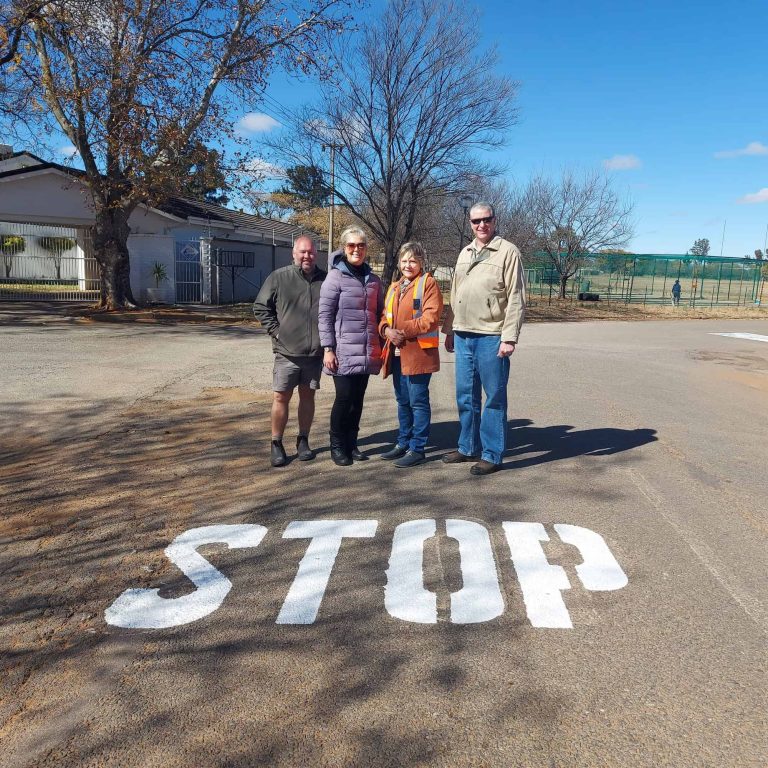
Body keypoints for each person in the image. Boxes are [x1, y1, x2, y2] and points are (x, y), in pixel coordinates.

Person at [442, 202, 526, 476]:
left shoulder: (507, 252)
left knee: (493, 398)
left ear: (494, 220)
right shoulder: (465, 252)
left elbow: (516, 297)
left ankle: (492, 454)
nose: (481, 225)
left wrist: (509, 337)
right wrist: (450, 328)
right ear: (470, 223)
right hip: (464, 334)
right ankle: (467, 447)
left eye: (485, 220)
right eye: (475, 221)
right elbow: (456, 293)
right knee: (465, 396)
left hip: (491, 336)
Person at [253, 235, 326, 467]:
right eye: (303, 252)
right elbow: (260, 306)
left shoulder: (326, 279)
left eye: (311, 252)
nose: (307, 256)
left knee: (308, 397)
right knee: (280, 397)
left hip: (314, 355)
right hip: (286, 353)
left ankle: (303, 440)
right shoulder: (279, 277)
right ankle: (276, 443)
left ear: (316, 254)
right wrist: (276, 332)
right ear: (294, 253)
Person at [318, 225, 384, 466]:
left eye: (361, 245)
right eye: (352, 245)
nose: (357, 249)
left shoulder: (374, 280)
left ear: (366, 248)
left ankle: (352, 443)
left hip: (366, 351)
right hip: (343, 351)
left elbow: (379, 314)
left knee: (358, 399)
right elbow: (324, 316)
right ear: (344, 248)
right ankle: (337, 445)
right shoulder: (334, 277)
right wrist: (328, 348)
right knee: (344, 398)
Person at [378, 242, 444, 468]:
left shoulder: (428, 284)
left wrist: (402, 331)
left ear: (421, 263)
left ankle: (417, 448)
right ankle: (402, 442)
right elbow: (383, 318)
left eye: (413, 261)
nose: (408, 265)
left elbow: (430, 318)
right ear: (398, 263)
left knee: (418, 402)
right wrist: (386, 330)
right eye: (404, 261)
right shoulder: (395, 287)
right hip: (396, 354)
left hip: (418, 355)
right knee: (402, 401)